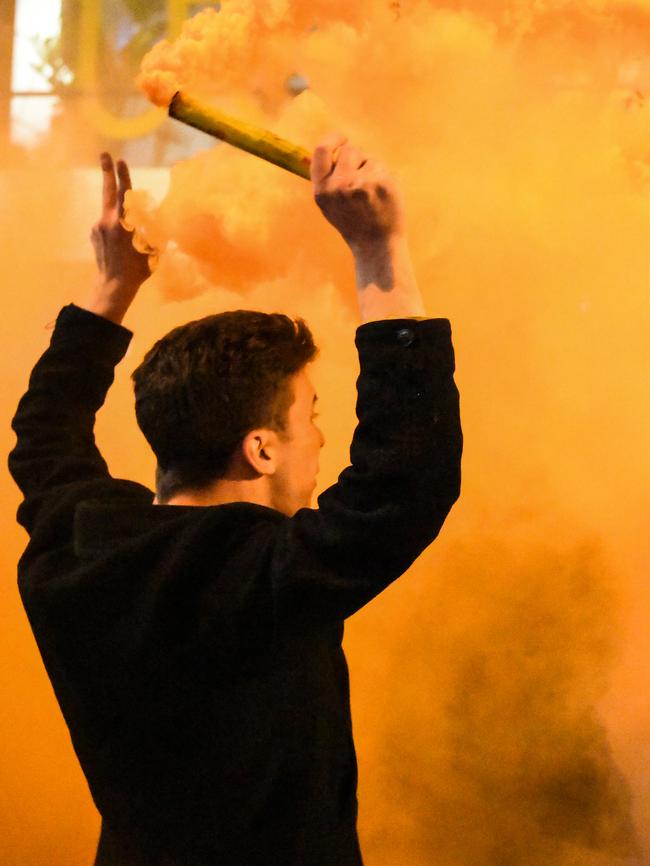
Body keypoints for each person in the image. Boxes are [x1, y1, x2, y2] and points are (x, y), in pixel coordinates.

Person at [9, 135, 462, 866]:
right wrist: (381, 255)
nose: (322, 438)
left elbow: (44, 436)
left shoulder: (76, 549)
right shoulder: (263, 579)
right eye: (310, 415)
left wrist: (110, 289)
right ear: (261, 448)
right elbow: (406, 480)